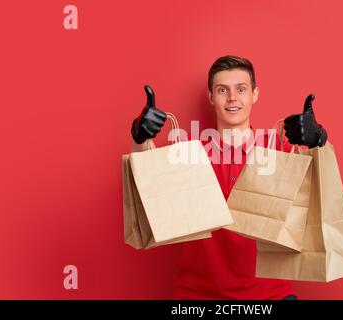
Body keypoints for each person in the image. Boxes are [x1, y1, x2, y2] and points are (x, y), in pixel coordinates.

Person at [130, 55, 328, 300]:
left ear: (255, 94)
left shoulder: (277, 150)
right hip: (198, 295)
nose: (232, 97)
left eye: (241, 89)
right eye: (222, 90)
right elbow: (149, 188)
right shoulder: (191, 153)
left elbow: (322, 191)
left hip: (272, 296)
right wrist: (140, 138)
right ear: (211, 97)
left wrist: (318, 139)